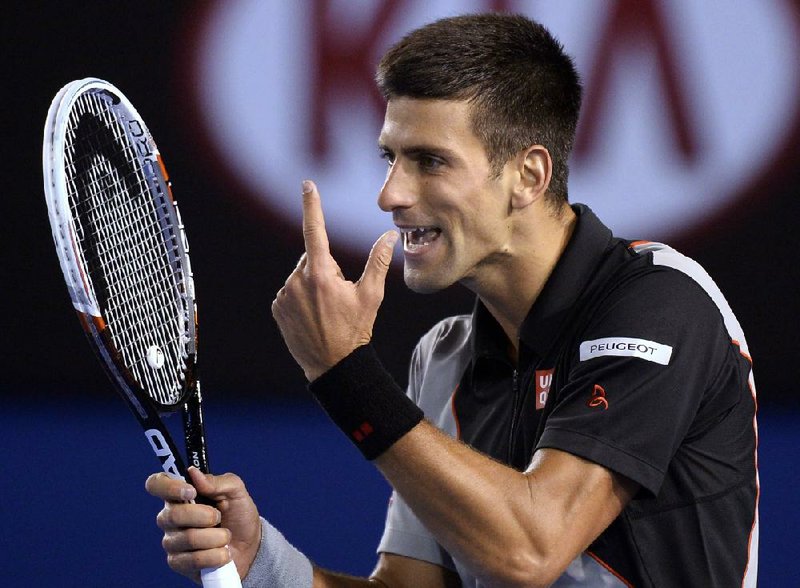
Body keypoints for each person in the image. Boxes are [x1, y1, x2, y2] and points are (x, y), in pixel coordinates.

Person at [146, 13, 759, 587]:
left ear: (529, 175)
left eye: (430, 161)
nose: (390, 194)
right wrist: (259, 561)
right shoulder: (445, 357)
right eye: (390, 157)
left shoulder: (662, 302)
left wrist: (345, 375)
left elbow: (529, 548)